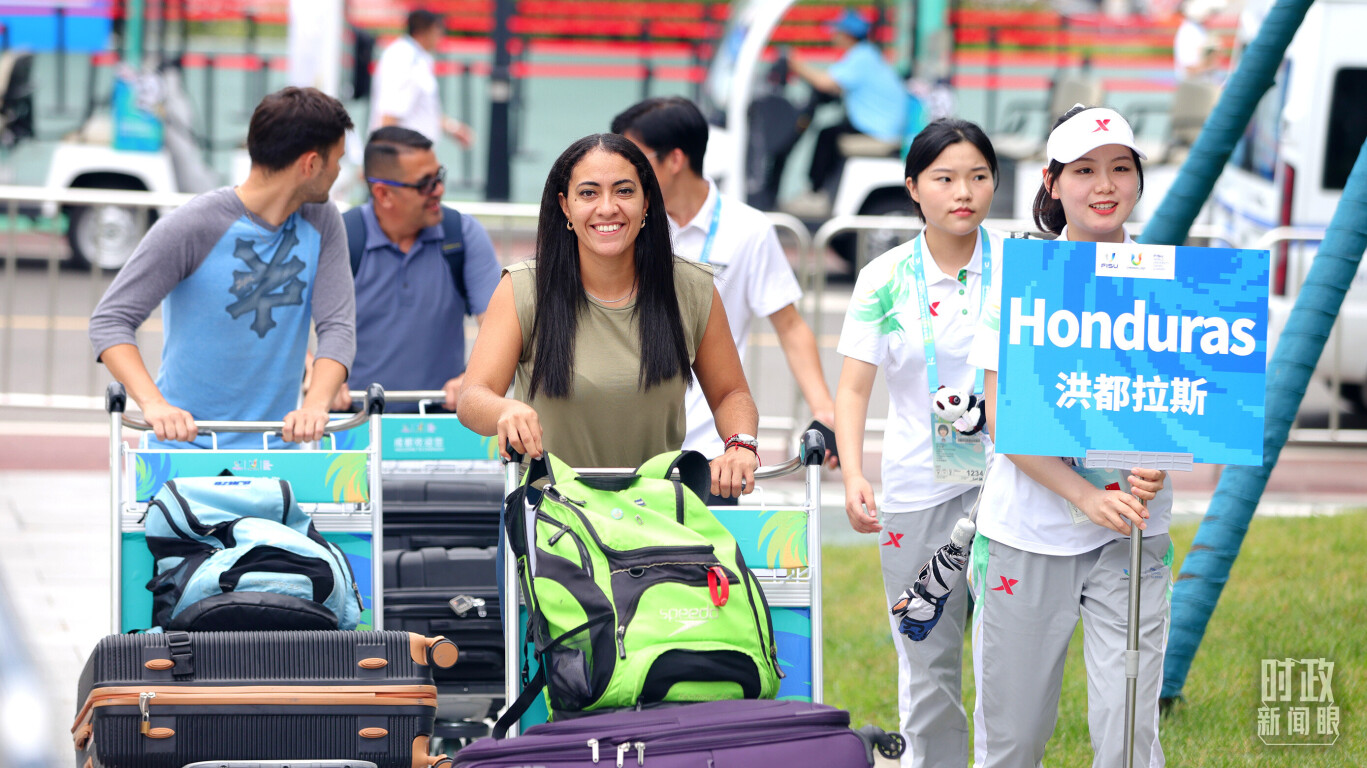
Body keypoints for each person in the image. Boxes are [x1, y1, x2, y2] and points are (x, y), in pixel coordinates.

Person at [967, 104, 1172, 767]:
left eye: (1119, 168)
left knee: (1127, 733)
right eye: (1083, 171)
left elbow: (1180, 403)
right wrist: (1083, 497)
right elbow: (1004, 418)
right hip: (1028, 533)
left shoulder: (1166, 281)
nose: (1104, 186)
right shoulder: (1020, 278)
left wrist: (1158, 462)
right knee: (1013, 739)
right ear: (1052, 183)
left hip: (1131, 534)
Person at [457, 133, 760, 500]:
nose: (607, 208)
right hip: (552, 523)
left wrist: (741, 445)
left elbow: (731, 392)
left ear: (647, 201)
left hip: (657, 520)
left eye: (624, 191)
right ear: (565, 206)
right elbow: (473, 397)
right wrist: (504, 409)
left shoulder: (692, 286)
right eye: (588, 193)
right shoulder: (523, 287)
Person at [834, 118, 1003, 768]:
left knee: (1004, 666)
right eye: (944, 178)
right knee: (926, 659)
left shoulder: (1021, 271)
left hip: (1015, 491)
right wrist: (854, 474)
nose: (963, 191)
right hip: (914, 494)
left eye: (978, 176)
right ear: (912, 187)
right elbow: (851, 392)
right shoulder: (882, 278)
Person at [89, 86, 356, 448]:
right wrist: (155, 406)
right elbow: (110, 320)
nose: (341, 169)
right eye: (337, 159)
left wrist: (314, 406)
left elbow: (337, 326)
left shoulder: (323, 220)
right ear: (310, 165)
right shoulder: (192, 225)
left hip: (273, 452)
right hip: (182, 449)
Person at [610, 96, 837, 483]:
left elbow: (790, 326)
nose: (619, 168)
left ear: (675, 159)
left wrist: (825, 411)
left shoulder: (747, 229)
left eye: (633, 156)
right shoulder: (623, 223)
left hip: (714, 450)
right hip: (629, 441)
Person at [333, 126, 501, 412]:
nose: (439, 189)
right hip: (353, 425)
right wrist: (319, 374)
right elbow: (286, 321)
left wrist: (472, 379)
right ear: (383, 193)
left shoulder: (462, 235)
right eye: (425, 184)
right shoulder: (342, 238)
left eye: (439, 176)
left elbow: (501, 329)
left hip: (438, 424)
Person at [786, 8, 908, 213]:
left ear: (847, 35)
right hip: (878, 126)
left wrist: (796, 65)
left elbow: (825, 82)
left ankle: (816, 193)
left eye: (837, 32)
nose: (834, 36)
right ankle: (822, 191)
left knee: (827, 136)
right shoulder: (865, 55)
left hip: (878, 130)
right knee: (832, 132)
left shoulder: (861, 58)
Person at [369, 10, 474, 149]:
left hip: (412, 156)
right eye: (437, 31)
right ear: (424, 31)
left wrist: (453, 128)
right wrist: (383, 159)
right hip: (402, 157)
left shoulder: (418, 58)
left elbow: (422, 111)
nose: (440, 37)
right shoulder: (404, 58)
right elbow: (390, 113)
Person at [1173, 0, 1224, 83]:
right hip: (1194, 87)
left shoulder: (1199, 29)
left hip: (1202, 84)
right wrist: (1210, 62)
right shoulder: (1188, 31)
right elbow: (1189, 68)